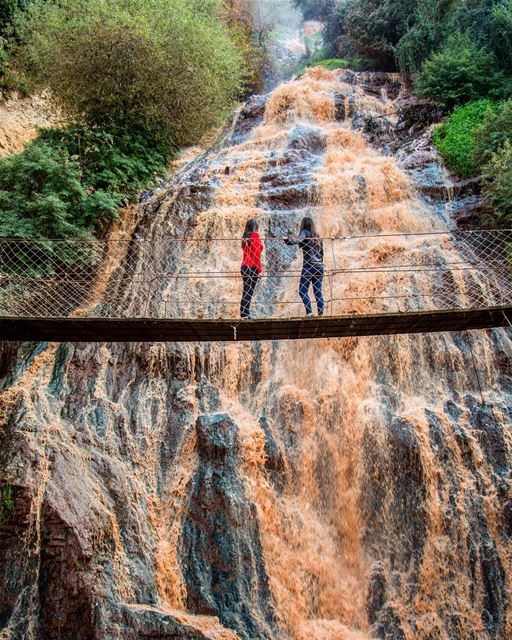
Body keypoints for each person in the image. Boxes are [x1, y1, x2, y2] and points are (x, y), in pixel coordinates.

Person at [285, 216, 325, 317]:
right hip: (319, 268)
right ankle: (321, 314)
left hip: (309, 267)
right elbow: (322, 253)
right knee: (318, 293)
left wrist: (287, 238)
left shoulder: (304, 233)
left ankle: (309, 313)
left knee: (302, 291)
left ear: (304, 224)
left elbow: (296, 241)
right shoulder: (317, 236)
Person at [240, 218, 263, 319]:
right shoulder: (255, 235)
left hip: (244, 267)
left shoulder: (245, 237)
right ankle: (245, 314)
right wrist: (260, 270)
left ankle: (244, 314)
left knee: (246, 291)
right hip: (252, 267)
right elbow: (256, 254)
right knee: (249, 291)